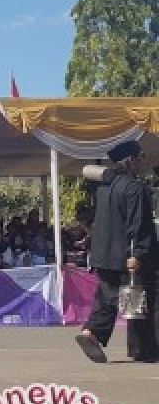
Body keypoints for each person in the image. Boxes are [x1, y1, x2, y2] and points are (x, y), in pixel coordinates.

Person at [75, 140, 159, 363]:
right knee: (142, 300)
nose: (143, 161)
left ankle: (91, 333)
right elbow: (138, 225)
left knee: (108, 297)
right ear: (130, 160)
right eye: (140, 157)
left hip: (103, 253)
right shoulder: (135, 188)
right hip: (126, 255)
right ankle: (145, 349)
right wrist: (138, 253)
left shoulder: (104, 187)